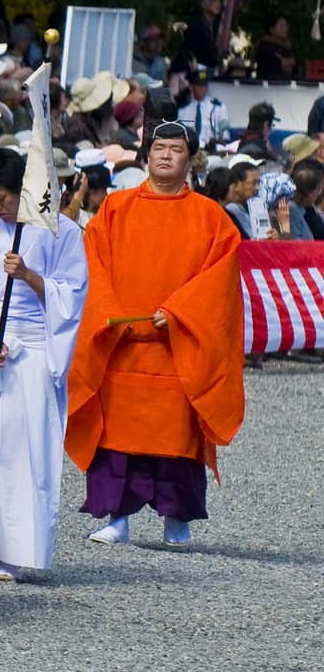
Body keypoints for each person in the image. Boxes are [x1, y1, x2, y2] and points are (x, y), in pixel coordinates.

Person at [67, 121, 245, 548]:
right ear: (146, 155)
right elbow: (94, 267)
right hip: (123, 344)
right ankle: (118, 518)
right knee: (117, 440)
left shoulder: (211, 217)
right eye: (159, 148)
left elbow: (219, 280)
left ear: (190, 158)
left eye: (175, 149)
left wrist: (181, 313)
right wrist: (113, 317)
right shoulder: (114, 209)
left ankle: (176, 522)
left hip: (176, 347)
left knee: (177, 439)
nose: (165, 155)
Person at [0, 147, 88, 582]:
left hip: (34, 347)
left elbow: (72, 294)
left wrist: (29, 275)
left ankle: (17, 552)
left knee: (24, 452)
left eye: (3, 199)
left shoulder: (62, 232)